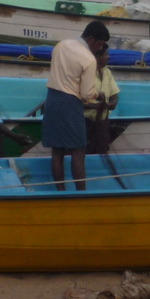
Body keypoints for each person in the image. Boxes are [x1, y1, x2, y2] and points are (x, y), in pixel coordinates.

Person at [43, 21, 107, 191]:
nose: (100, 49)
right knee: (78, 151)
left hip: (52, 99)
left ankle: (60, 194)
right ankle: (81, 195)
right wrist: (97, 95)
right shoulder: (89, 59)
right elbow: (86, 94)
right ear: (92, 40)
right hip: (70, 103)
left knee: (57, 151)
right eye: (100, 45)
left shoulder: (61, 45)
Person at [84, 40, 121, 154]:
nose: (109, 57)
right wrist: (95, 106)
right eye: (106, 55)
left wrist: (113, 103)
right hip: (85, 122)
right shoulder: (85, 72)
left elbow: (114, 94)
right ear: (98, 57)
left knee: (102, 152)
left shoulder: (107, 72)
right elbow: (78, 100)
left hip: (103, 122)